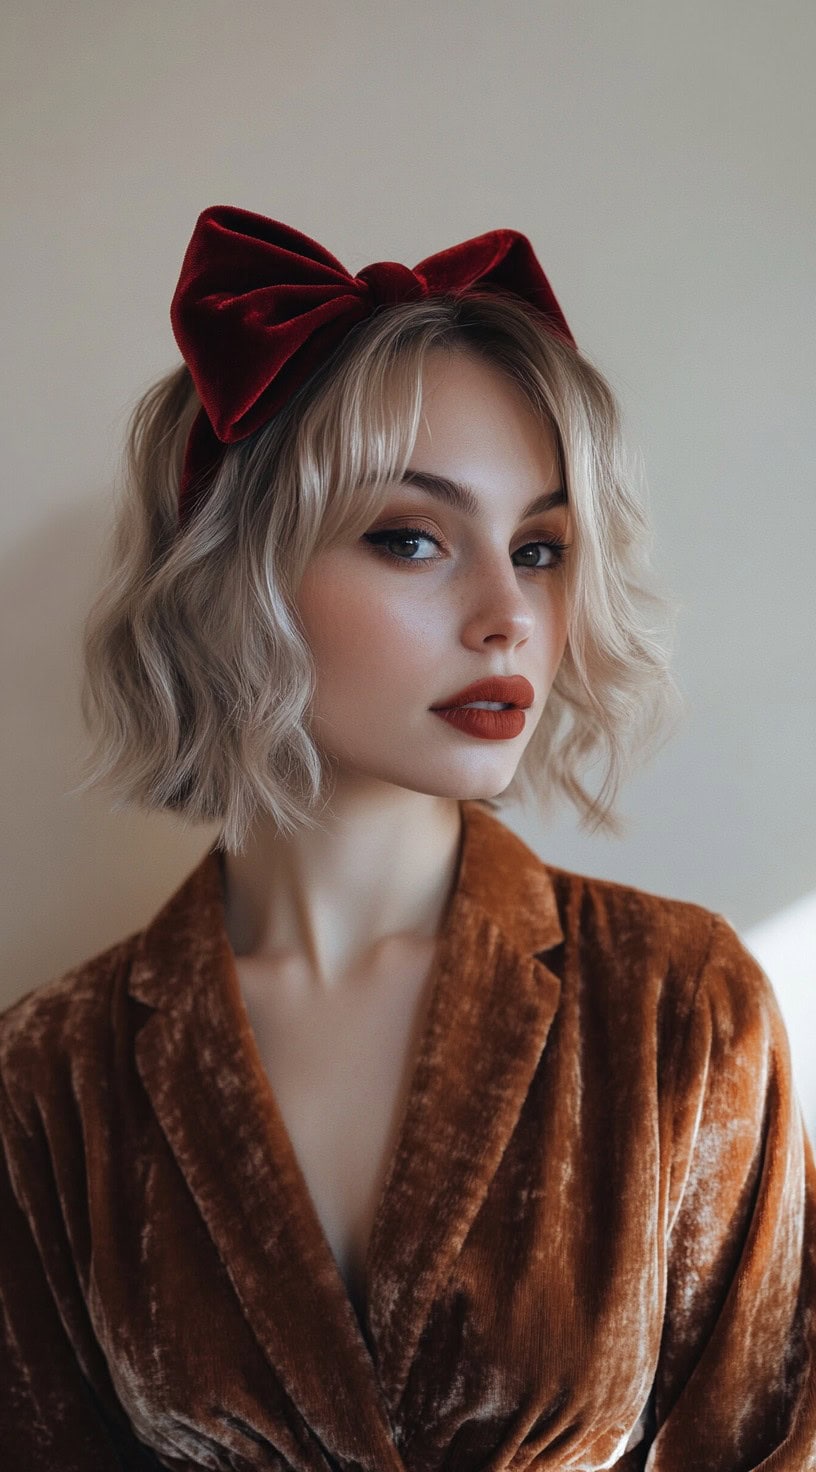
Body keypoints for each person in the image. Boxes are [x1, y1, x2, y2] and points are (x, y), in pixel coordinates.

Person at [0, 207, 814, 1472]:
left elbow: (770, 1441)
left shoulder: (679, 1003)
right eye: (412, 538)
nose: (507, 614)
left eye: (539, 548)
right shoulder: (52, 1076)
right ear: (236, 577)